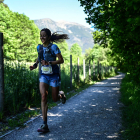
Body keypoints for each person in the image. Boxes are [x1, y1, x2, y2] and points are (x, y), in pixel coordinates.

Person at [29, 28, 69, 133]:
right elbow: (39, 57)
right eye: (40, 35)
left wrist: (49, 63)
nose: (42, 37)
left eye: (44, 35)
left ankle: (61, 95)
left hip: (54, 75)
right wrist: (35, 65)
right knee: (43, 97)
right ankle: (44, 124)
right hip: (44, 75)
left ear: (49, 37)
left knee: (55, 99)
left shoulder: (54, 47)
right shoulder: (39, 47)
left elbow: (61, 60)